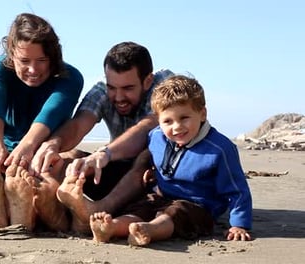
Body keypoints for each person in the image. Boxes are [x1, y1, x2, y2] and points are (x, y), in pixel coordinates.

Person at [89, 75, 253, 245]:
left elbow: (236, 190)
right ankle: (111, 228)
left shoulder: (219, 149)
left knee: (175, 214)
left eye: (184, 118)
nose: (177, 127)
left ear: (202, 114)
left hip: (197, 206)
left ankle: (148, 230)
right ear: (158, 120)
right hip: (160, 195)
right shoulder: (156, 136)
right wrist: (153, 171)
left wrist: (239, 224)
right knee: (141, 207)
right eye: (167, 121)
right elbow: (154, 156)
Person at [31, 41, 172, 232]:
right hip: (116, 166)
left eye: (128, 88)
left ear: (147, 81)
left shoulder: (165, 85)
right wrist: (54, 144)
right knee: (69, 157)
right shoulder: (101, 90)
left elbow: (147, 127)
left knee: (145, 156)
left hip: (151, 175)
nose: (118, 96)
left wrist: (105, 153)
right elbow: (79, 124)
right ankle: (52, 207)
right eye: (112, 87)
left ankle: (98, 209)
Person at [0, 13, 84, 232]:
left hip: (45, 152)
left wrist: (28, 145)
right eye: (24, 61)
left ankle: (18, 209)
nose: (33, 70)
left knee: (67, 163)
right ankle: (15, 210)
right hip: (4, 154)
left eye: (42, 61)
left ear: (53, 57)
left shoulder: (70, 77)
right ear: (10, 54)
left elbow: (52, 111)